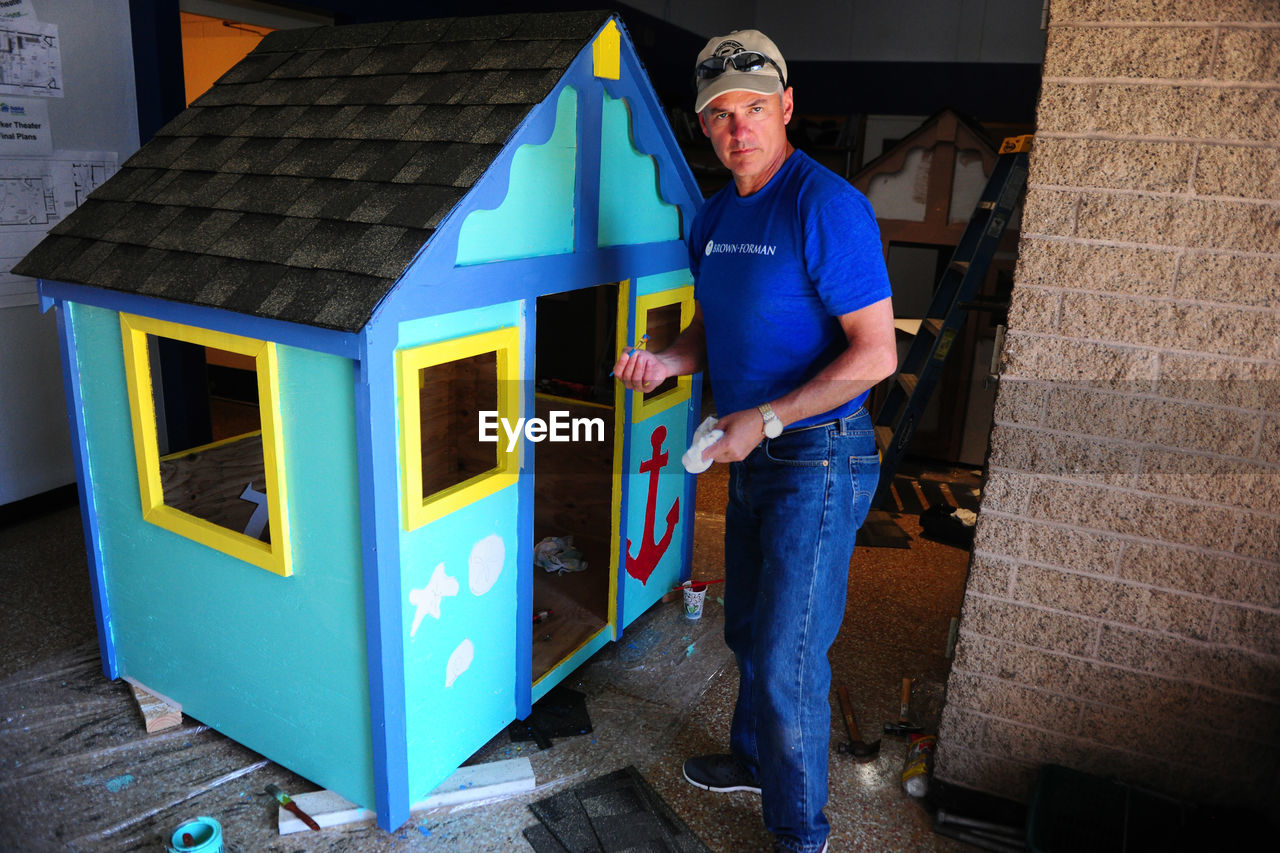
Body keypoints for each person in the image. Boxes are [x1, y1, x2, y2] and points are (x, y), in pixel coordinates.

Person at [613, 28, 897, 853]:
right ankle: (752, 758)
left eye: (755, 108)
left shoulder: (825, 205)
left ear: (787, 108)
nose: (739, 128)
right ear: (703, 125)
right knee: (746, 630)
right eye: (721, 114)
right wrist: (668, 361)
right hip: (745, 448)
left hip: (818, 452)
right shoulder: (712, 220)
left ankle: (801, 834)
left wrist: (769, 418)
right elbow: (716, 323)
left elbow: (875, 354)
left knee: (787, 656)